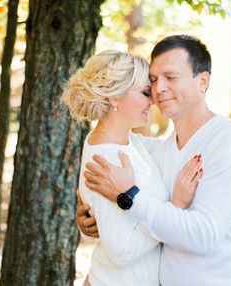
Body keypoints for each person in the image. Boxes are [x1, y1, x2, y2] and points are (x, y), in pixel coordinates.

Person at [79, 35, 231, 286]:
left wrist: (130, 196)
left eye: (171, 77)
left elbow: (204, 235)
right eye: (154, 81)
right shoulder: (157, 151)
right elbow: (109, 149)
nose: (158, 90)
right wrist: (93, 215)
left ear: (203, 81)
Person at [62, 50, 203, 286]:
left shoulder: (129, 142)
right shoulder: (107, 159)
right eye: (146, 93)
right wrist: (174, 207)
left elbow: (176, 146)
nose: (153, 101)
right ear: (115, 97)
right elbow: (122, 253)